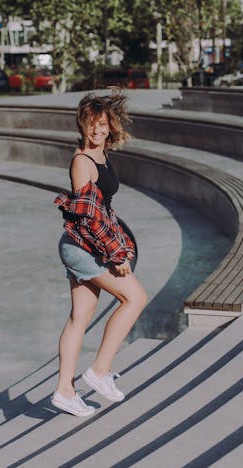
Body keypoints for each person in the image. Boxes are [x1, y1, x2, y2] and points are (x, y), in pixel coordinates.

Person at [52, 91, 147, 417]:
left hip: (86, 245)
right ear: (83, 126)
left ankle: (65, 391)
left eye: (103, 124)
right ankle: (100, 370)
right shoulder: (83, 162)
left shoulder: (102, 155)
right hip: (82, 248)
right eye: (92, 125)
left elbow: (103, 209)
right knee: (134, 299)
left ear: (110, 127)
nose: (97, 131)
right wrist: (117, 256)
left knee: (80, 317)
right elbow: (88, 218)